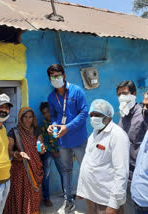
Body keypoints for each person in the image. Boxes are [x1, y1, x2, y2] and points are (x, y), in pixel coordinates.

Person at [46, 64, 88, 213]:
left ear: (64, 75)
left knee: (86, 168)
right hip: (63, 141)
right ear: (49, 79)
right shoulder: (52, 97)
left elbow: (84, 113)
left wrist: (67, 127)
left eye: (58, 76)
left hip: (78, 139)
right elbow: (55, 116)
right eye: (53, 77)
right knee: (66, 170)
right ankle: (68, 201)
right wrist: (53, 126)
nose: (56, 79)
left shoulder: (77, 91)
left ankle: (90, 200)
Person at [77, 99, 130, 214]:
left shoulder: (117, 135)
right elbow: (87, 161)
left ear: (108, 117)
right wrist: (82, 190)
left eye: (98, 115)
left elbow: (121, 171)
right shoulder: (95, 132)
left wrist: (114, 203)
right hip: (91, 196)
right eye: (92, 115)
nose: (93, 118)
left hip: (106, 200)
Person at [4, 107, 46, 214]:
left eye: (30, 117)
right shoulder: (14, 132)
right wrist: (16, 154)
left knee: (34, 192)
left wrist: (42, 149)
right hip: (19, 169)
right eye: (25, 117)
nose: (28, 120)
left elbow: (40, 150)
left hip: (35, 166)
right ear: (21, 119)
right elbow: (8, 152)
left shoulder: (37, 131)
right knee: (20, 193)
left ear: (33, 118)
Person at [116, 80, 148, 214]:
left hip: (140, 173)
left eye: (124, 93)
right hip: (125, 172)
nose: (121, 97)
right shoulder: (123, 115)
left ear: (134, 94)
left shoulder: (143, 115)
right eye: (119, 95)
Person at [39, 102, 64, 207]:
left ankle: (67, 193)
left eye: (48, 111)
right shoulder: (44, 125)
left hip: (60, 150)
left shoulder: (60, 122)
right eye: (44, 113)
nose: (47, 114)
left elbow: (63, 137)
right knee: (46, 174)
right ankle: (46, 198)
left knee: (64, 171)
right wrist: (53, 150)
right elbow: (43, 141)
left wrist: (59, 150)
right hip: (49, 151)